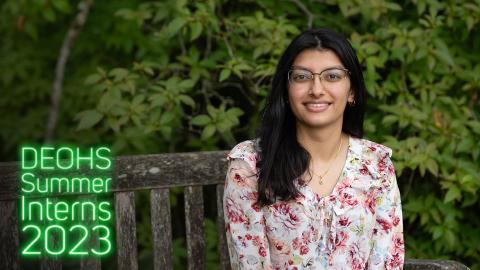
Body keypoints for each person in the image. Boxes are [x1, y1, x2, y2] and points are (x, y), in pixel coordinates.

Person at [223, 28, 404, 270]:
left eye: (332, 76)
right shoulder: (250, 166)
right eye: (302, 77)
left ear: (352, 91)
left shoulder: (375, 164)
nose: (316, 89)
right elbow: (249, 264)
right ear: (286, 91)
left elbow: (387, 261)